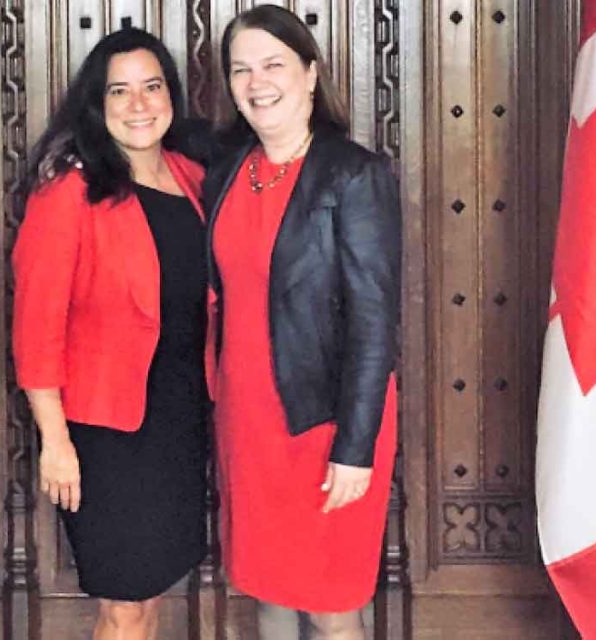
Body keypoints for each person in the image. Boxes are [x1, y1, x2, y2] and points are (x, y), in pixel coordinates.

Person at [203, 6, 401, 639]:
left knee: (331, 602)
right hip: (248, 421)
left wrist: (355, 447)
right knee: (268, 589)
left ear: (311, 74)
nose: (257, 82)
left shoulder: (353, 173)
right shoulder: (229, 169)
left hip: (324, 422)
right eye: (241, 70)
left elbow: (375, 320)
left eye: (273, 65)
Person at [12, 28, 209, 640]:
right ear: (96, 105)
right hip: (105, 435)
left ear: (171, 96)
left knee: (151, 595)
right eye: (118, 91)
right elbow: (36, 325)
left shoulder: (192, 176)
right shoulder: (70, 191)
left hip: (179, 421)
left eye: (152, 87)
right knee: (122, 604)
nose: (138, 104)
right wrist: (55, 439)